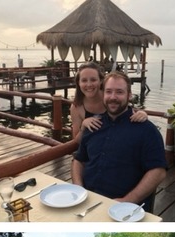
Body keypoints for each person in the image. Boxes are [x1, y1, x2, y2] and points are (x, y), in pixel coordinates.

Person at [72, 71, 167, 211]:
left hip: (124, 208)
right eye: (109, 91)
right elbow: (78, 160)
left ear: (129, 95)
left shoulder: (146, 130)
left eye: (119, 92)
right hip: (87, 201)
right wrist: (78, 187)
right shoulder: (93, 125)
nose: (113, 97)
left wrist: (127, 200)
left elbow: (158, 171)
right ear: (103, 94)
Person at [69, 62, 147, 141]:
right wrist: (83, 126)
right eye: (84, 80)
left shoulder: (109, 98)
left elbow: (127, 111)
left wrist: (142, 114)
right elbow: (76, 141)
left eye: (93, 80)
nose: (89, 84)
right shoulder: (77, 107)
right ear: (78, 83)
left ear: (101, 81)